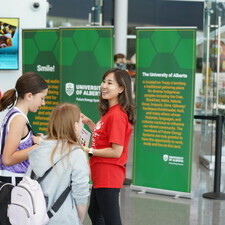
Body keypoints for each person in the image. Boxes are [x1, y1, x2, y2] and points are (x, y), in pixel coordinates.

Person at [82, 68, 136, 225]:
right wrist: (91, 124)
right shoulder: (109, 112)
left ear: (121, 88)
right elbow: (104, 138)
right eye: (103, 81)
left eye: (109, 83)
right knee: (95, 212)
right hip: (100, 173)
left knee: (111, 220)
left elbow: (116, 151)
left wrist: (88, 151)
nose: (104, 86)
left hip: (108, 175)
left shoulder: (117, 115)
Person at [30, 103, 90, 225]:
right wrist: (79, 219)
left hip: (36, 217)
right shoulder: (76, 154)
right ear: (75, 125)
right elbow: (81, 194)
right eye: (80, 121)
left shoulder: (38, 148)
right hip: (63, 218)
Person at [0, 72, 48, 184]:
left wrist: (32, 140)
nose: (43, 103)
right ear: (29, 96)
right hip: (12, 182)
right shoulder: (19, 119)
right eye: (42, 98)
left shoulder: (16, 115)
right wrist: (38, 146)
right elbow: (7, 159)